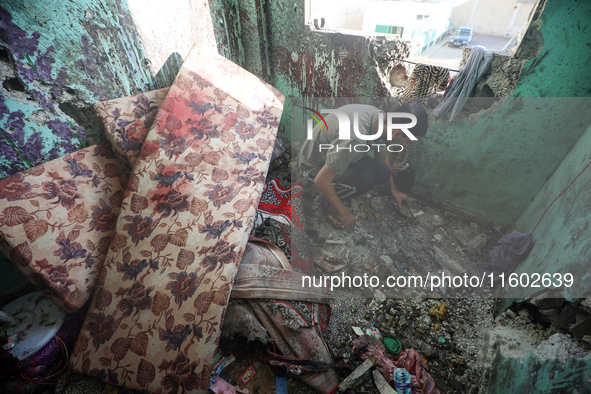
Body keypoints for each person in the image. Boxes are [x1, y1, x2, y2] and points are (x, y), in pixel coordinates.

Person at [297, 102, 428, 230]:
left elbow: (382, 159)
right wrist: (344, 212)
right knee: (366, 179)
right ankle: (328, 203)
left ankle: (338, 190)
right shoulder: (355, 137)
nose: (406, 146)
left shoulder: (380, 119)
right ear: (397, 134)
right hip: (313, 166)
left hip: (339, 156)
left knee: (383, 172)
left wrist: (394, 191)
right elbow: (321, 180)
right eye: (407, 142)